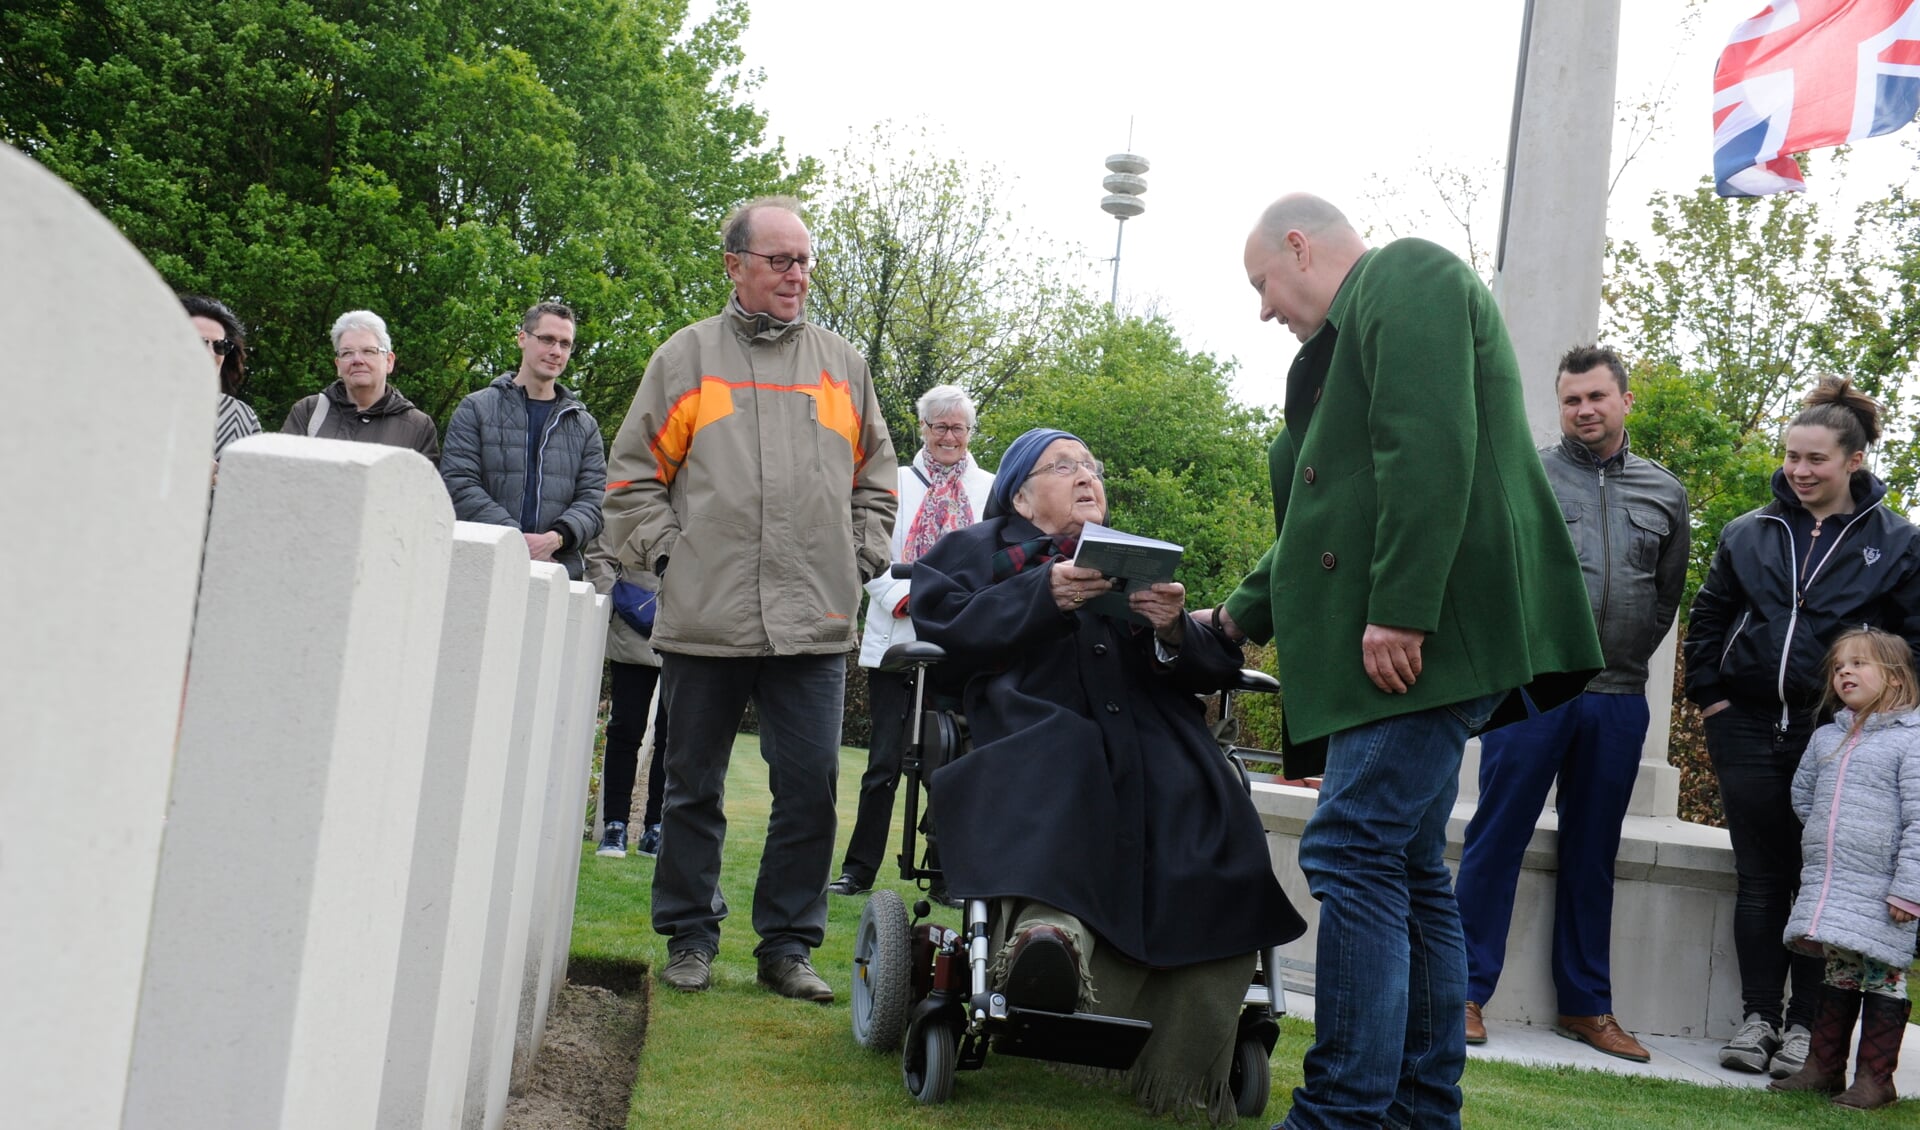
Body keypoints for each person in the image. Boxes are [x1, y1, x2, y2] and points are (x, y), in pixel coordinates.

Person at [1212, 194, 1601, 1130]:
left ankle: (1341, 1114)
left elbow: (1428, 446)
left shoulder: (1408, 273)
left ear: (1298, 247)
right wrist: (1229, 619)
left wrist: (1400, 609)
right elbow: (1321, 522)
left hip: (1420, 641)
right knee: (1410, 865)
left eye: (1262, 282)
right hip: (1405, 647)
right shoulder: (1348, 344)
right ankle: (1419, 1111)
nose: (1264, 309)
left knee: (1350, 848)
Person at [911, 427, 1305, 1125]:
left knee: (1203, 792)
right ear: (1022, 494)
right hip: (1033, 720)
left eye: (1092, 465)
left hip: (1148, 732)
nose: (1087, 475)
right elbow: (944, 635)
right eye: (1064, 466)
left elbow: (1210, 666)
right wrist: (1044, 592)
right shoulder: (976, 548)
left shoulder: (1134, 557)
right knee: (1067, 756)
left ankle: (1184, 1033)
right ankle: (1050, 939)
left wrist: (1173, 628)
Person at [601, 196, 897, 1003]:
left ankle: (788, 948)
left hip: (815, 622)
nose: (798, 275)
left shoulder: (844, 365)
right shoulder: (685, 359)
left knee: (809, 792)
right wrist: (674, 555)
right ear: (734, 265)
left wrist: (858, 556)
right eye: (780, 260)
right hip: (707, 621)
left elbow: (877, 479)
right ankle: (690, 938)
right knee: (691, 789)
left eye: (805, 260)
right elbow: (630, 483)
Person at [1454, 345, 1689, 1061]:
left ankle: (1587, 1006)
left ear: (1625, 401)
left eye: (1596, 397)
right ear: (1559, 407)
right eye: (1570, 400)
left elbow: (1665, 596)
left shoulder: (1664, 492)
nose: (1584, 410)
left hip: (1617, 698)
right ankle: (1461, 990)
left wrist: (1620, 656)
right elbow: (1489, 575)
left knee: (1595, 853)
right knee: (1496, 837)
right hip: (1532, 690)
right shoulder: (1526, 475)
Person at [1684, 375, 1920, 1077]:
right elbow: (1708, 619)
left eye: (1816, 458)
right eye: (1792, 456)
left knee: (1829, 881)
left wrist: (1879, 722)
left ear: (1854, 460)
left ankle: (1805, 1032)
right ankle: (1757, 1018)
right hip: (1748, 727)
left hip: (1842, 740)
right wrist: (1712, 700)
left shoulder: (1899, 543)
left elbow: (1914, 643)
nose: (1800, 470)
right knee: (1761, 877)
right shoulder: (1747, 533)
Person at [828, 383, 995, 898]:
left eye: (958, 428)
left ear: (970, 433)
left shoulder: (989, 490)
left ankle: (945, 873)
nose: (948, 436)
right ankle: (858, 870)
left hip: (961, 647)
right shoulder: (893, 482)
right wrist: (905, 597)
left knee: (953, 761)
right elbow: (870, 550)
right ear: (922, 428)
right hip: (899, 640)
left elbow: (995, 561)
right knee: (882, 764)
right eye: (938, 426)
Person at [1770, 627, 1920, 1110]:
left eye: (1859, 664)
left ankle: (1877, 1079)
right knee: (1840, 971)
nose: (1845, 673)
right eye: (1839, 667)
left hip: (1885, 889)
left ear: (1895, 679)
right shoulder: (1826, 737)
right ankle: (1823, 1067)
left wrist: (1909, 889)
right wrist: (1830, 835)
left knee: (1883, 972)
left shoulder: (1911, 742)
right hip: (1837, 879)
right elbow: (1804, 797)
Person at [440, 302, 606, 580]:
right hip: (482, 567)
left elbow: (594, 500)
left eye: (565, 344)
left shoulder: (584, 425)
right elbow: (458, 483)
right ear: (522, 339)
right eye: (547, 339)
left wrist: (555, 539)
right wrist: (516, 541)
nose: (556, 351)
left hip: (556, 571)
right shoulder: (476, 408)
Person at [584, 529, 667, 860]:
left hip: (687, 628)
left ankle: (656, 827)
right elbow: (600, 555)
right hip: (632, 630)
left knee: (674, 735)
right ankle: (615, 825)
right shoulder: (636, 493)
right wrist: (617, 605)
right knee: (625, 729)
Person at [282, 310, 441, 463]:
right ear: (338, 365)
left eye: (368, 351)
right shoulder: (307, 413)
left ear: (389, 361)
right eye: (347, 353)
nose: (357, 360)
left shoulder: (417, 427)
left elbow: (423, 489)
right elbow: (281, 477)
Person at [182, 294, 261, 463]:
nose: (210, 353)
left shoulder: (243, 417)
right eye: (199, 342)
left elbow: (256, 481)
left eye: (220, 346)